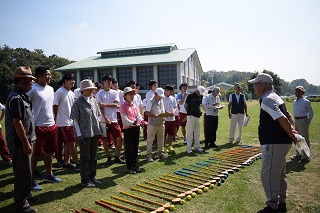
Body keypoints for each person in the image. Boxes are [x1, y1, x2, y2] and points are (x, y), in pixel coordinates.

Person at [248, 73, 297, 213]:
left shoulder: (267, 99)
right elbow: (289, 117)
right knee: (279, 173)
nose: (254, 87)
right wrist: (292, 131)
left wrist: (291, 134)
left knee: (268, 175)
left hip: (274, 143)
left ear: (263, 85)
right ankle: (281, 202)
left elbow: (283, 119)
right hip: (281, 143)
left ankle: (272, 206)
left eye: (255, 84)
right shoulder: (276, 97)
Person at [5, 66, 38, 212]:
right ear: (22, 81)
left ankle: (27, 195)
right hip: (20, 142)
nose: (32, 84)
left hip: (27, 139)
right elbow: (18, 123)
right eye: (30, 81)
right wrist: (25, 144)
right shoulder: (16, 98)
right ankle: (21, 202)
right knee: (22, 172)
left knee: (28, 171)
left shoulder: (22, 95)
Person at [28, 66, 62, 191]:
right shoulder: (32, 89)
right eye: (46, 74)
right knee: (35, 155)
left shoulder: (51, 88)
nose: (49, 76)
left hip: (51, 125)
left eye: (49, 74)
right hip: (37, 126)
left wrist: (54, 120)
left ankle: (49, 175)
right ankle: (30, 180)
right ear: (39, 76)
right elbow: (26, 105)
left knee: (50, 152)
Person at [70, 79, 102, 187]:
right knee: (85, 157)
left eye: (92, 89)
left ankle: (92, 177)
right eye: (88, 90)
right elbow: (75, 120)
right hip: (84, 134)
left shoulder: (93, 100)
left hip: (95, 133)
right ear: (82, 91)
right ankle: (85, 179)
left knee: (93, 157)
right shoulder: (77, 103)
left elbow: (97, 116)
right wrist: (79, 135)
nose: (90, 91)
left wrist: (101, 129)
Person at [53, 73, 80, 170]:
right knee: (71, 143)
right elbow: (54, 106)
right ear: (65, 81)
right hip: (63, 123)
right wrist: (55, 118)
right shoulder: (59, 92)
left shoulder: (71, 93)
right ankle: (77, 164)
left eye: (73, 79)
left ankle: (66, 162)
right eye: (70, 80)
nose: (73, 81)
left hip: (71, 122)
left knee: (68, 144)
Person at [96, 75, 125, 164]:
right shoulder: (99, 93)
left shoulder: (114, 92)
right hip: (103, 120)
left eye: (110, 82)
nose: (109, 83)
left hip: (114, 119)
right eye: (108, 81)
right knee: (105, 139)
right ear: (104, 82)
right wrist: (105, 117)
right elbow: (99, 107)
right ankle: (108, 157)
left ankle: (117, 156)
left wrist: (105, 104)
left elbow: (116, 105)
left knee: (120, 137)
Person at [120, 87, 145, 174]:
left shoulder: (133, 105)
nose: (132, 96)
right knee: (129, 149)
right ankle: (129, 167)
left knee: (135, 148)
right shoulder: (123, 106)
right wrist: (133, 123)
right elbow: (124, 119)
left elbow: (138, 115)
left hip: (135, 128)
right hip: (128, 129)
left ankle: (135, 165)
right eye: (130, 94)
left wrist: (141, 121)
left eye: (133, 94)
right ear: (125, 96)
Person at [291, 85, 314, 162]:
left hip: (303, 120)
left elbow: (311, 113)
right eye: (296, 91)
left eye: (299, 91)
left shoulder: (306, 102)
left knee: (304, 138)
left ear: (302, 93)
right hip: (296, 120)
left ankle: (306, 155)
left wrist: (308, 121)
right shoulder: (294, 101)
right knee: (296, 137)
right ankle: (298, 154)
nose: (297, 93)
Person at [145, 88, 167, 162]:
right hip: (152, 124)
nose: (160, 97)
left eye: (161, 96)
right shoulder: (150, 101)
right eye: (159, 96)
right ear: (155, 94)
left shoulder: (162, 101)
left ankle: (160, 152)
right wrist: (153, 115)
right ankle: (149, 155)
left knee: (161, 139)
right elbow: (146, 112)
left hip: (161, 123)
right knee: (150, 140)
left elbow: (162, 111)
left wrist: (165, 116)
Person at [184, 86, 205, 154]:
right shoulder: (190, 96)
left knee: (197, 132)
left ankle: (197, 146)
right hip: (191, 116)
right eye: (200, 93)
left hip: (197, 116)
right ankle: (189, 148)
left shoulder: (201, 96)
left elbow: (200, 105)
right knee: (190, 132)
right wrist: (189, 112)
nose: (200, 94)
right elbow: (185, 106)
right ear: (197, 90)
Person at [162, 85, 177, 152]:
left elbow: (175, 107)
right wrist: (167, 113)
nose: (171, 92)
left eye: (172, 91)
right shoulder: (162, 98)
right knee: (163, 134)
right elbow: (161, 108)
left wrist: (173, 112)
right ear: (166, 90)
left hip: (172, 119)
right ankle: (163, 147)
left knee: (171, 133)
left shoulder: (172, 98)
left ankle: (170, 145)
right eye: (170, 91)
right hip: (164, 119)